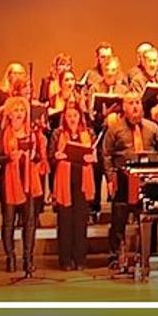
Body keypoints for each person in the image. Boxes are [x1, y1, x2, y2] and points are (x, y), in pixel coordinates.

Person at [101, 93, 158, 263]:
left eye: (137, 102)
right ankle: (115, 255)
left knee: (148, 215)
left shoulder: (152, 128)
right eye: (131, 103)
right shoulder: (114, 128)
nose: (135, 106)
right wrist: (110, 178)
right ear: (124, 107)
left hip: (147, 178)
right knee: (119, 218)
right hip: (122, 178)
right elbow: (106, 154)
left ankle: (148, 253)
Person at [0, 96, 45, 275]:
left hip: (29, 181)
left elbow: (40, 156)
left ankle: (28, 258)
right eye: (15, 110)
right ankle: (10, 257)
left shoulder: (32, 133)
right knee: (8, 221)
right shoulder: (3, 133)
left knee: (29, 222)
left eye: (22, 110)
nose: (19, 113)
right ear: (9, 114)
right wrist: (10, 157)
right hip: (8, 182)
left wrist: (33, 155)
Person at [51, 105, 97, 270]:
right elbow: (50, 156)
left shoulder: (89, 134)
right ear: (64, 118)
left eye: (75, 115)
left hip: (82, 182)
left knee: (80, 221)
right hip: (65, 182)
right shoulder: (58, 134)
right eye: (69, 115)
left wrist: (92, 157)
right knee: (65, 221)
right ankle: (65, 260)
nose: (72, 118)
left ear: (80, 117)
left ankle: (80, 259)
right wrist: (56, 157)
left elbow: (94, 155)